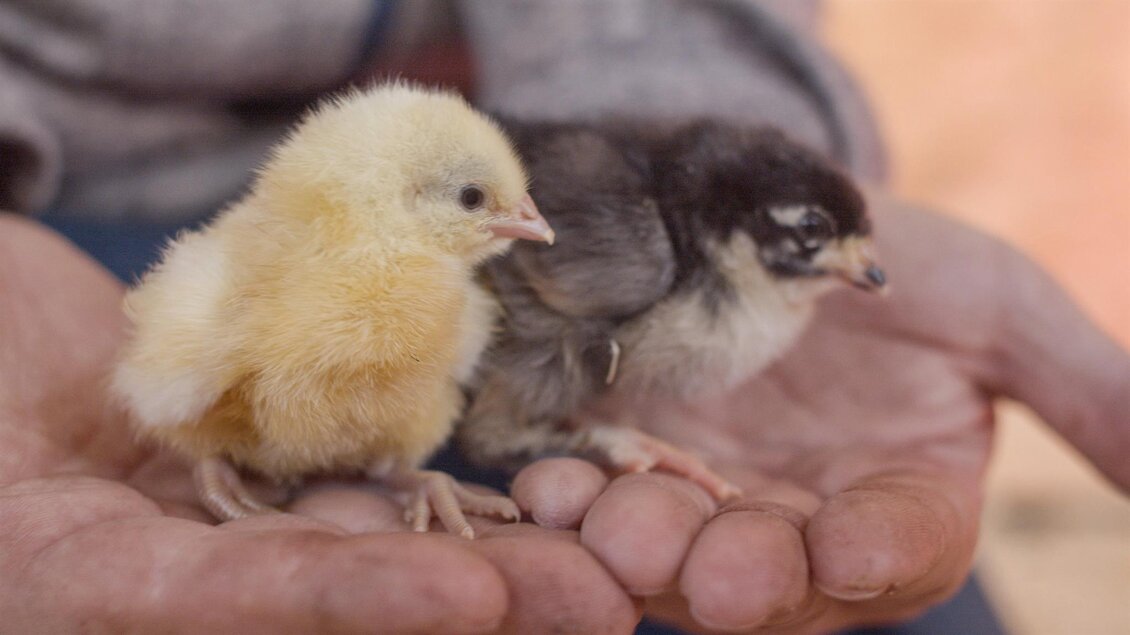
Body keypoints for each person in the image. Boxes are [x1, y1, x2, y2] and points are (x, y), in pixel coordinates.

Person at [2, 1, 1127, 633]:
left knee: (876, 602)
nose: (851, 269)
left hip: (494, 141)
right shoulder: (584, 255)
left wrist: (704, 96)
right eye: (811, 241)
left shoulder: (525, 233)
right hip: (69, 197)